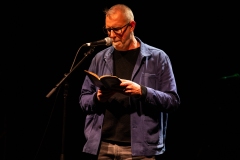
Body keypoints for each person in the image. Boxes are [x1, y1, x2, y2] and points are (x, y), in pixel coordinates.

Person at [79, 4, 180, 160]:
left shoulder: (158, 58)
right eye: (108, 30)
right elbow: (83, 99)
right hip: (102, 145)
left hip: (140, 149)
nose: (112, 35)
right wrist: (97, 98)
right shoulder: (100, 58)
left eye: (117, 29)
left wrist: (143, 92)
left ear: (132, 25)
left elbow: (172, 101)